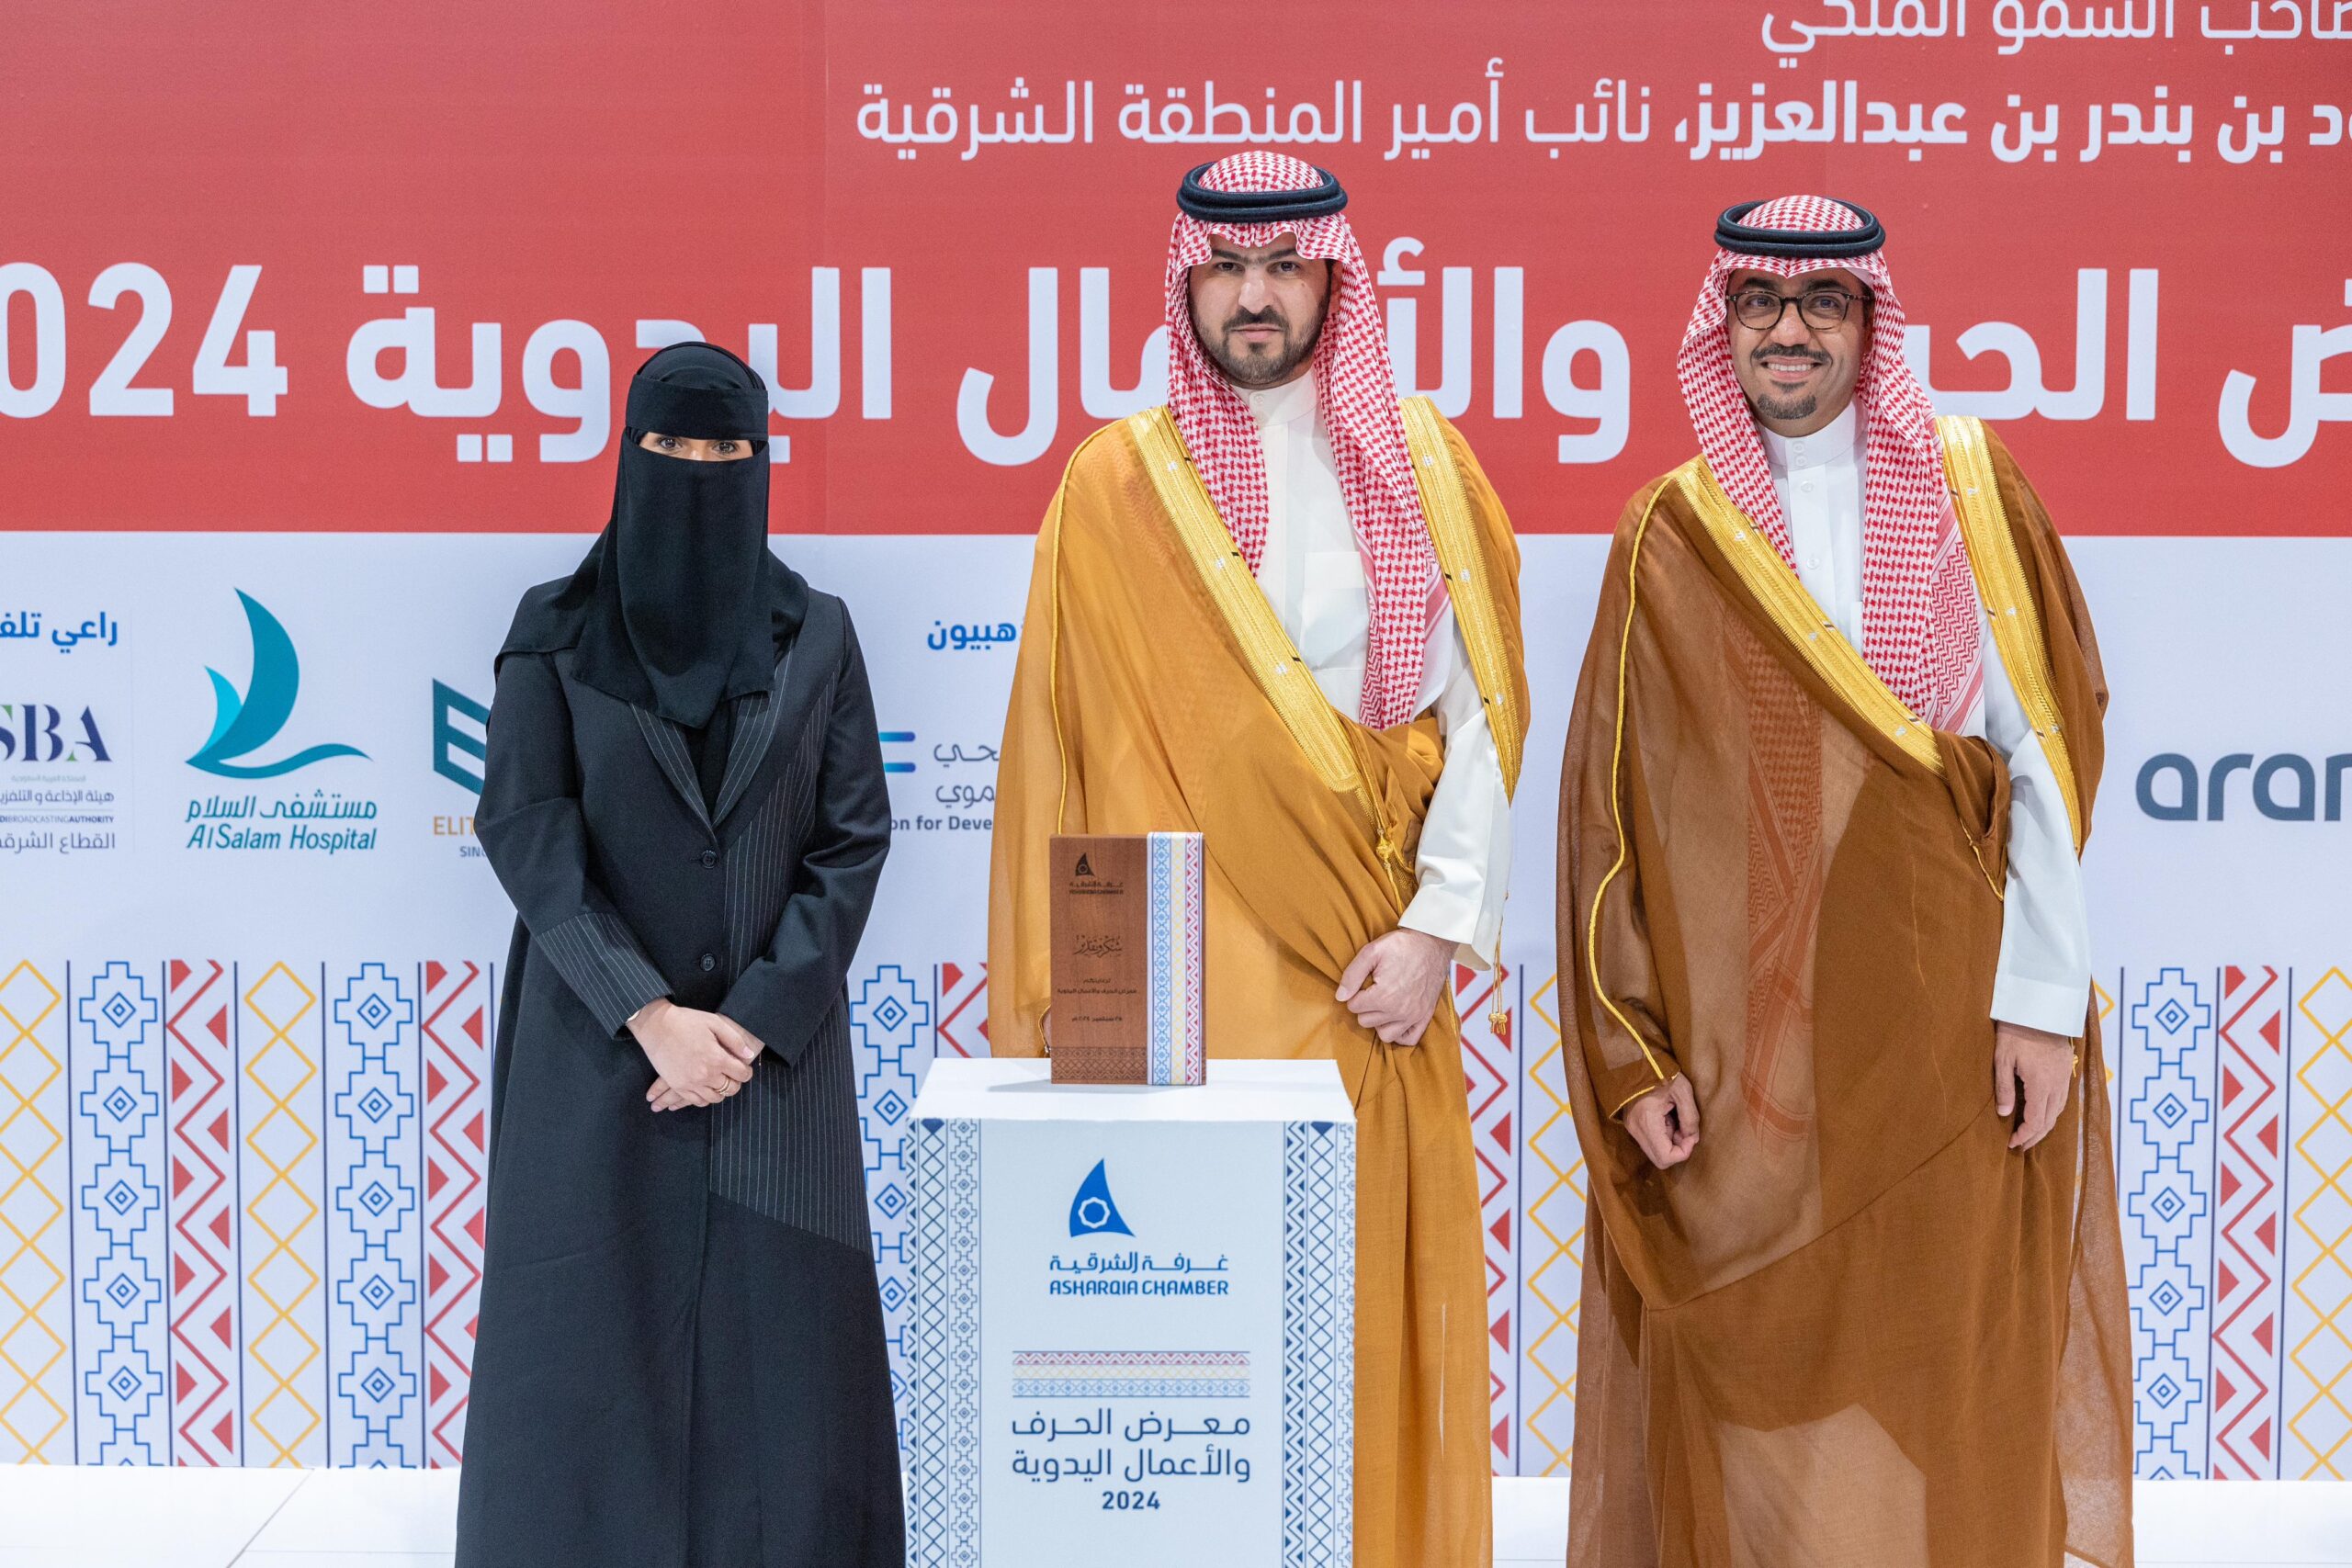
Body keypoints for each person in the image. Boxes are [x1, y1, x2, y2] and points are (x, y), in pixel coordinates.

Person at [1556, 196, 2134, 1567]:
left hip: (1951, 1019)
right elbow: (1612, 816)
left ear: (1872, 321)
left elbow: (2042, 763)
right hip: (1746, 1035)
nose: (1790, 331)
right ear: (1723, 328)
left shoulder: (1971, 488)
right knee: (1760, 1349)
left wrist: (2041, 1004)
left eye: (1824, 301)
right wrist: (1635, 1056)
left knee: (1950, 1345)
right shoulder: (1673, 529)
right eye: (1760, 302)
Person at [989, 152, 1527, 1568]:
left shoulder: (1426, 464)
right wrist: (1079, 1006)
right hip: (1177, 993)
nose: (1254, 296)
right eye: (1226, 268)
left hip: (1364, 973)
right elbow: (1061, 751)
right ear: (1185, 287)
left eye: (1284, 266)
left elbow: (1485, 716)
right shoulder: (1113, 484)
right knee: (1185, 1335)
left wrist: (1440, 927)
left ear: (1334, 282)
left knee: (1345, 1322)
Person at [455, 343, 902, 1567]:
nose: (701, 470)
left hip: (773, 1071)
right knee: (589, 1337)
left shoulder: (817, 633)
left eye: (728, 450)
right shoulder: (553, 631)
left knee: (778, 1351)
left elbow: (852, 839)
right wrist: (648, 1013)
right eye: (672, 446)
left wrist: (749, 1022)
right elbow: (526, 827)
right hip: (599, 1052)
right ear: (628, 456)